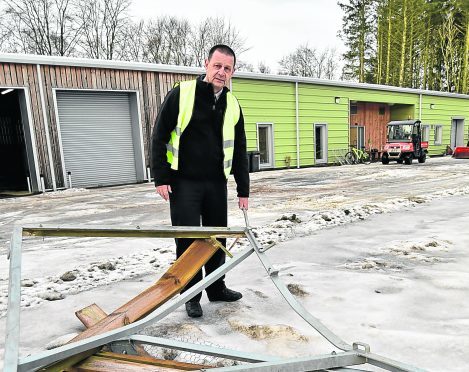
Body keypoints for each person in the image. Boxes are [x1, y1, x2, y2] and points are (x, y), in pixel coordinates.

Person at [151, 44, 249, 318]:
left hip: (217, 183)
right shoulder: (181, 94)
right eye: (217, 66)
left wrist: (244, 189)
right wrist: (161, 177)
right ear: (205, 63)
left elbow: (239, 148)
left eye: (227, 68)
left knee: (217, 238)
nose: (221, 72)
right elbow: (159, 136)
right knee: (188, 240)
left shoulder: (232, 103)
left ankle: (216, 287)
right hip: (184, 183)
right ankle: (191, 295)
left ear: (233, 71)